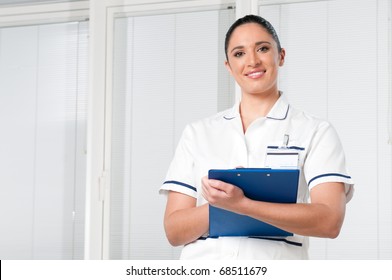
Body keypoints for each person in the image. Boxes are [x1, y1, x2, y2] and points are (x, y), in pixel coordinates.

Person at [159, 14, 354, 259]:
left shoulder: (315, 131)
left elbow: (329, 221)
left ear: (280, 56)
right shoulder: (198, 133)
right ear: (228, 66)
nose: (252, 61)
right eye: (239, 53)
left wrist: (243, 205)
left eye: (262, 48)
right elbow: (174, 231)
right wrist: (224, 204)